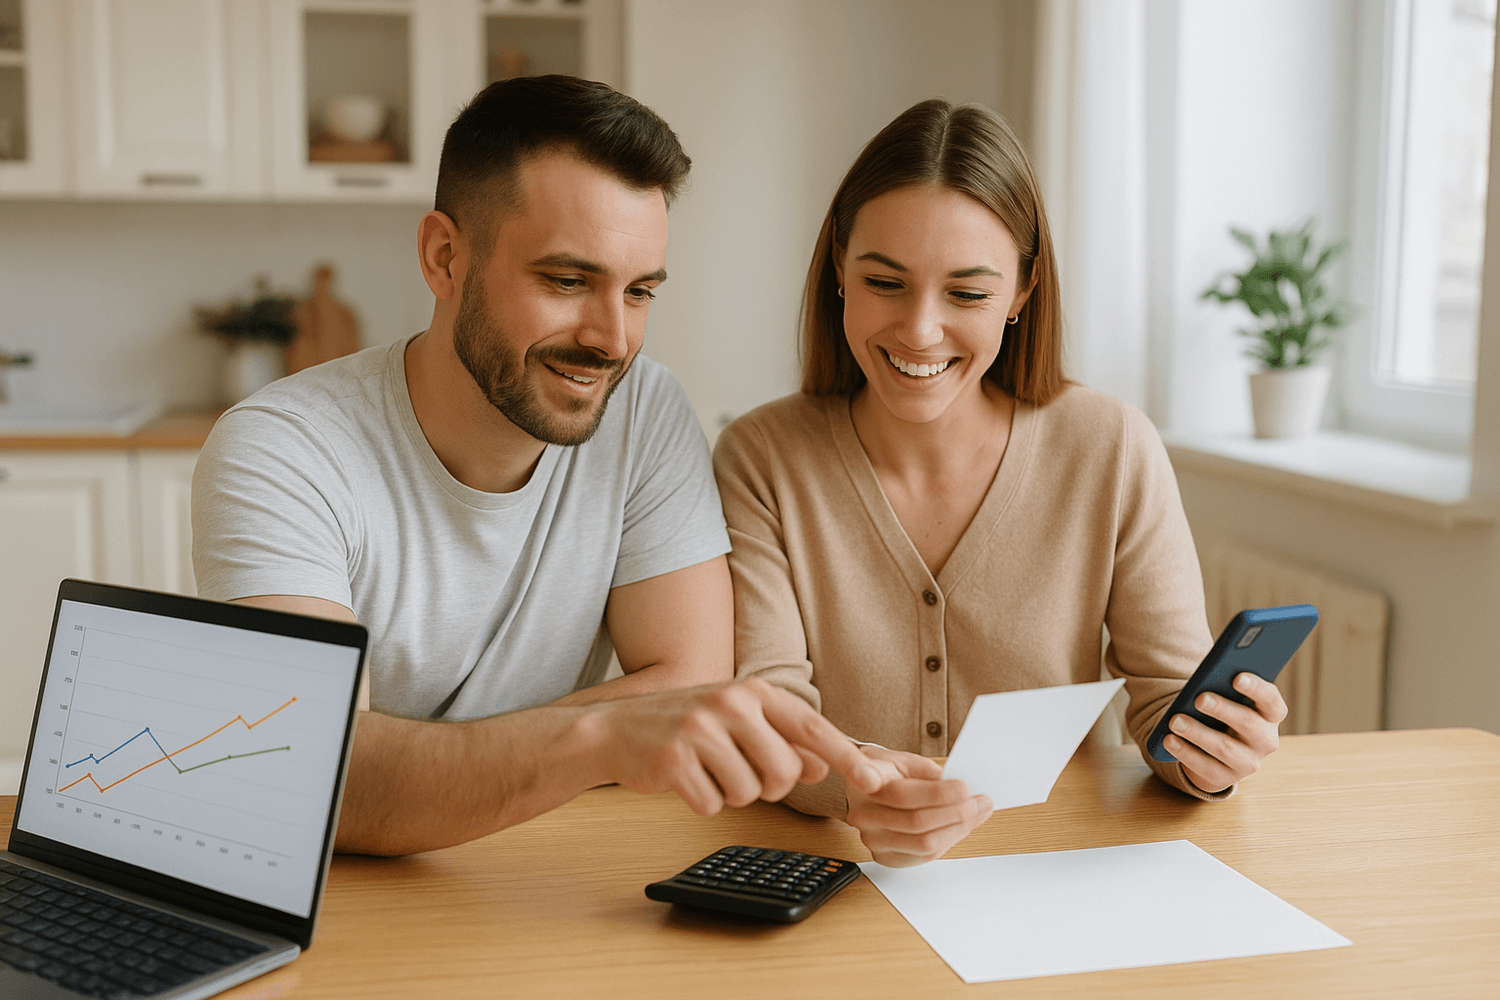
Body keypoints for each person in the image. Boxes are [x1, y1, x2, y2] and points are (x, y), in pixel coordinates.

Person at [191, 76, 885, 857]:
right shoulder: (281, 449)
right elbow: (312, 773)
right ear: (444, 256)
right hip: (350, 896)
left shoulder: (644, 410)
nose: (612, 339)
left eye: (640, 291)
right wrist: (599, 737)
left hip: (547, 867)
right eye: (567, 280)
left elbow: (690, 678)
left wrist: (423, 765)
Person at [713, 99, 1288, 868]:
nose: (920, 330)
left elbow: (1165, 700)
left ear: (1023, 292)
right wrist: (859, 792)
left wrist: (1210, 756)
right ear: (838, 274)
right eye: (885, 281)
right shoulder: (760, 457)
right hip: (838, 870)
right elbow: (769, 704)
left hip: (1057, 873)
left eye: (968, 294)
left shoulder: (1109, 446)